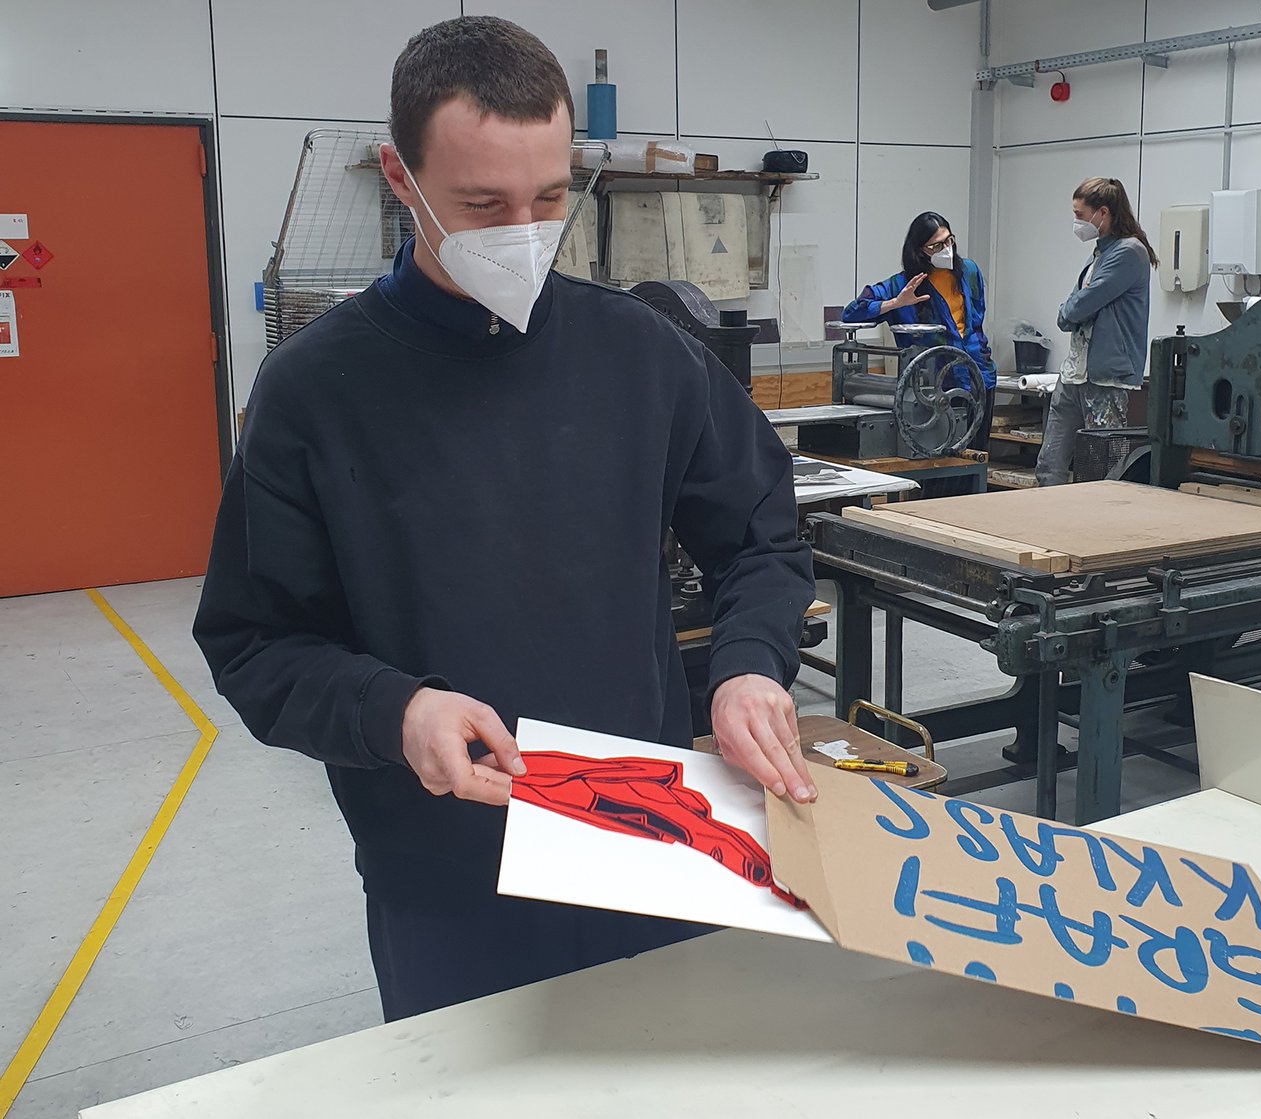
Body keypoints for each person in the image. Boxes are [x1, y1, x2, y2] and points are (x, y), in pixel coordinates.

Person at [193, 16, 816, 1023]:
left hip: (648, 841)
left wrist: (748, 662)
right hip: (447, 875)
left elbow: (758, 532)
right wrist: (396, 711)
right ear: (402, 181)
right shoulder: (316, 392)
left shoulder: (640, 357)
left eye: (549, 197)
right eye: (481, 203)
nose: (522, 230)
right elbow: (256, 641)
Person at [842, 212, 997, 483]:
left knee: (973, 462)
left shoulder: (969, 271)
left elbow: (975, 321)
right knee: (936, 469)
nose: (946, 250)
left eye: (949, 241)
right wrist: (895, 304)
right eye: (936, 246)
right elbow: (851, 313)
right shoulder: (901, 284)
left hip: (978, 379)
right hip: (933, 389)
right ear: (920, 251)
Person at [1034, 177, 1156, 487]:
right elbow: (1079, 305)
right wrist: (1074, 307)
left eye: (1079, 214)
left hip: (1106, 378)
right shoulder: (1100, 252)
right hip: (1075, 372)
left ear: (1103, 213)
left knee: (1102, 470)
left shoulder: (1129, 252)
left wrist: (1072, 308)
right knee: (1049, 464)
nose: (1076, 221)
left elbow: (1081, 305)